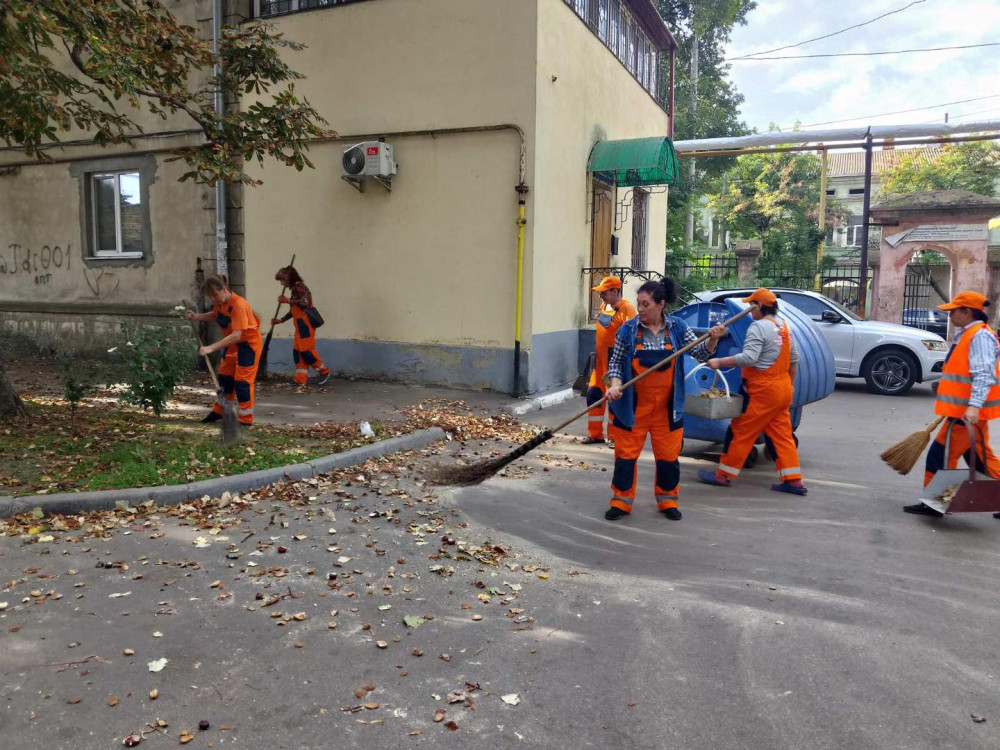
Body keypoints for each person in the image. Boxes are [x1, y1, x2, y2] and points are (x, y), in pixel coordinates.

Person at [604, 277, 716, 522]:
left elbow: (700, 353)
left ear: (661, 304)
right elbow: (615, 364)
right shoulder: (627, 330)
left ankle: (668, 500)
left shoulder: (677, 328)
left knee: (668, 458)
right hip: (633, 407)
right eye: (638, 303)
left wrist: (713, 339)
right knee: (625, 457)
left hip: (667, 408)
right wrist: (615, 386)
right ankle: (621, 501)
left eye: (645, 304)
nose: (640, 309)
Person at [696, 288, 807, 496]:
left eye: (751, 305)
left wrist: (719, 361)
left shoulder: (758, 327)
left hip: (764, 391)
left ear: (759, 306)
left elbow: (749, 358)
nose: (749, 309)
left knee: (741, 431)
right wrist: (789, 385)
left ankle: (723, 475)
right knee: (782, 436)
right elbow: (794, 361)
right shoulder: (784, 326)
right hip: (783, 389)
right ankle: (794, 481)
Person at [902, 291, 1000, 517]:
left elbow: (983, 374)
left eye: (953, 311)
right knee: (981, 461)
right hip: (964, 412)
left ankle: (936, 503)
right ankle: (937, 501)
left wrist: (973, 406)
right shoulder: (968, 334)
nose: (949, 315)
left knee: (940, 456)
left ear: (967, 312)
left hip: (968, 413)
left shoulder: (979, 336)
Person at [186, 275, 263, 427]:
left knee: (242, 382)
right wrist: (196, 316)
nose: (213, 299)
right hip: (232, 345)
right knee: (225, 379)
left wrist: (210, 347)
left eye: (215, 295)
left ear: (224, 289)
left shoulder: (238, 305)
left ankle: (245, 419)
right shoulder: (220, 303)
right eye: (210, 297)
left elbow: (237, 335)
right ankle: (220, 411)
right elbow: (214, 315)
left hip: (248, 345)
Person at [584, 276, 637, 445]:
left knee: (614, 398)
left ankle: (615, 437)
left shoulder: (627, 308)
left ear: (615, 291)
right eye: (600, 293)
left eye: (604, 293)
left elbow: (632, 336)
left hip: (614, 361)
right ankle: (595, 434)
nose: (601, 296)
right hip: (599, 361)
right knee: (594, 394)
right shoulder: (604, 306)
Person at [271, 265, 330, 386]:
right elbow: (294, 310)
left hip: (306, 324)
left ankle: (324, 372)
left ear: (288, 278)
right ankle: (300, 380)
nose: (282, 284)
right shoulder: (294, 290)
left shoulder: (300, 287)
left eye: (282, 280)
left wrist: (288, 300)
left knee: (306, 351)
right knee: (297, 352)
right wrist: (281, 320)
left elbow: (304, 303)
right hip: (299, 326)